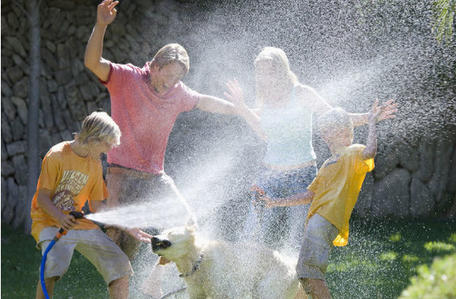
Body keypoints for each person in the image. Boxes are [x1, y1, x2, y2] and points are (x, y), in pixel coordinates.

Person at [84, 1, 257, 297]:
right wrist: (101, 25)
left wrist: (238, 109)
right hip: (121, 175)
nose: (172, 82)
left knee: (187, 224)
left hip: (155, 177)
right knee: (119, 250)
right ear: (154, 65)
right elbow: (92, 62)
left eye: (178, 78)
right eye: (169, 74)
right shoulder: (126, 78)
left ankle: (154, 283)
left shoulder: (178, 93)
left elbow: (205, 101)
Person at [228, 46, 396, 252]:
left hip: (302, 175)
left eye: (269, 71)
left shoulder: (301, 93)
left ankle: (297, 282)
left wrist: (369, 117)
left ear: (281, 70)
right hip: (268, 175)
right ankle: (242, 279)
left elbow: (335, 117)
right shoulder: (265, 99)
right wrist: (242, 107)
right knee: (252, 231)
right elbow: (265, 133)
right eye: (260, 72)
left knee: (298, 239)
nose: (264, 77)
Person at [259, 104, 383, 299]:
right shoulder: (327, 164)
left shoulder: (353, 152)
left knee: (308, 272)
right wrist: (274, 202)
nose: (326, 135)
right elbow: (309, 195)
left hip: (326, 220)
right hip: (317, 220)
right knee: (304, 273)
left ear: (347, 133)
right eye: (326, 130)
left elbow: (370, 151)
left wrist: (372, 122)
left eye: (332, 130)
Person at [31, 111, 141, 299]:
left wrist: (125, 224)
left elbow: (97, 206)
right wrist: (60, 218)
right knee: (52, 265)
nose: (108, 150)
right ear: (93, 138)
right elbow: (42, 198)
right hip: (48, 221)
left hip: (78, 223)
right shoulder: (57, 155)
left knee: (120, 265)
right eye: (107, 144)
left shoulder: (95, 164)